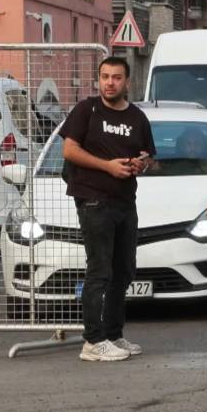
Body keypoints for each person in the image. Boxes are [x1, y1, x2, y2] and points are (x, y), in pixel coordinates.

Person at [61, 56, 156, 362]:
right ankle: (92, 341)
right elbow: (70, 150)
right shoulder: (86, 110)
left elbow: (150, 156)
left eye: (116, 77)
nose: (110, 82)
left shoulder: (137, 118)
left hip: (125, 202)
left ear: (127, 82)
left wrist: (141, 163)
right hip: (93, 201)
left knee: (124, 270)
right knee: (99, 270)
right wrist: (108, 167)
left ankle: (114, 334)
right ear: (98, 79)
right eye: (105, 77)